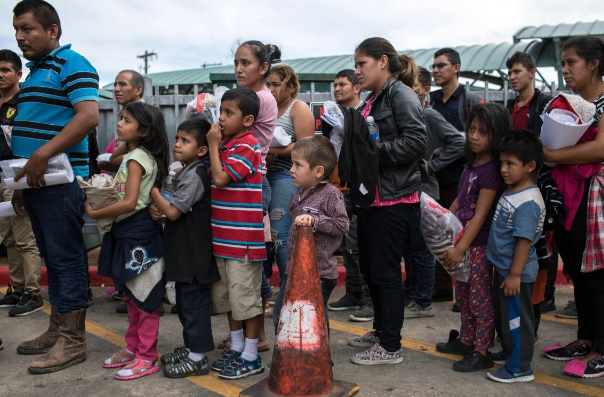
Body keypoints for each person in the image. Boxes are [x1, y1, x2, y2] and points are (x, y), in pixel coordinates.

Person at [11, 0, 99, 374]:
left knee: (67, 259)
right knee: (52, 259)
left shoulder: (72, 63)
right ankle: (56, 329)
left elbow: (89, 116)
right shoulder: (33, 73)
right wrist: (20, 184)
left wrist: (42, 155)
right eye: (16, 29)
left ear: (53, 31)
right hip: (36, 184)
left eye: (27, 29)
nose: (19, 37)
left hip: (60, 184)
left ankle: (73, 341)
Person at [346, 37, 427, 366]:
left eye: (361, 64)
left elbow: (416, 141)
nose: (357, 72)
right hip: (373, 198)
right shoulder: (375, 97)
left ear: (382, 61)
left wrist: (371, 154)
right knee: (372, 269)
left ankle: (390, 346)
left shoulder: (400, 93)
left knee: (386, 272)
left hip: (393, 199)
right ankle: (381, 332)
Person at [90, 102, 169, 380]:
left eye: (126, 120)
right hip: (127, 233)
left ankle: (147, 357)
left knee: (144, 298)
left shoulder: (137, 159)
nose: (119, 123)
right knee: (131, 297)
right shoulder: (132, 155)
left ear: (144, 131)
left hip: (139, 235)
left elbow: (130, 202)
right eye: (121, 118)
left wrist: (95, 212)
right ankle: (134, 348)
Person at [542, 36, 604, 378]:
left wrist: (551, 155)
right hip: (568, 195)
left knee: (596, 272)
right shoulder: (571, 102)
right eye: (563, 63)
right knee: (577, 268)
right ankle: (584, 338)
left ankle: (601, 347)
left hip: (596, 197)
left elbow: (600, 148)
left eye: (571, 63)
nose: (564, 70)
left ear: (593, 64)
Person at [435, 103, 507, 372]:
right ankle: (466, 340)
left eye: (483, 132)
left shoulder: (490, 172)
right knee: (464, 296)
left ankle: (482, 349)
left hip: (477, 247)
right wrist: (445, 222)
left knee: (479, 299)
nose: (475, 136)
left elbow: (479, 216)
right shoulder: (471, 165)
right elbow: (460, 201)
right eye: (472, 129)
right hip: (464, 245)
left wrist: (461, 247)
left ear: (496, 136)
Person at [148, 118, 219, 378]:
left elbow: (175, 212)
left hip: (194, 254)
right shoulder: (186, 170)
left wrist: (153, 192)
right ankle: (191, 348)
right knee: (185, 304)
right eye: (177, 138)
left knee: (194, 306)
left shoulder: (197, 173)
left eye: (185, 141)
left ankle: (198, 358)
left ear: (202, 150)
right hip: (183, 252)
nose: (177, 145)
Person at [208, 88, 266, 379]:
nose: (221, 118)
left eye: (229, 113)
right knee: (231, 299)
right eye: (221, 111)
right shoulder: (226, 145)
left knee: (247, 300)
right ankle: (237, 347)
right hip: (222, 240)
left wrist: (213, 145)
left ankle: (252, 355)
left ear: (248, 119)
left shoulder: (248, 145)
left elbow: (220, 179)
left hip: (243, 241)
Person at [404, 66, 465, 319]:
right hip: (407, 190)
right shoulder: (407, 114)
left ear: (426, 89)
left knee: (421, 250)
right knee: (409, 248)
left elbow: (459, 142)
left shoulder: (429, 115)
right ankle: (413, 294)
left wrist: (432, 164)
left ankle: (423, 301)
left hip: (425, 192)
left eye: (413, 84)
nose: (407, 89)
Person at [272, 136, 349, 333]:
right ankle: (290, 359)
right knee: (282, 314)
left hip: (319, 273)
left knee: (314, 322)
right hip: (294, 270)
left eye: (298, 165)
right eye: (292, 164)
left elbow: (342, 224)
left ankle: (321, 362)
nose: (291, 169)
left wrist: (315, 221)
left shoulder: (331, 194)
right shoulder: (296, 194)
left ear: (318, 171)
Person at [487, 129, 545, 383]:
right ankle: (511, 354)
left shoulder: (528, 201)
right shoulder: (513, 189)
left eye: (511, 163)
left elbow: (524, 241)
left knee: (517, 322)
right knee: (505, 318)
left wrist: (515, 275)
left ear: (530, 165)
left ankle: (520, 368)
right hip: (504, 270)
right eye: (502, 162)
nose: (503, 169)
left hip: (515, 274)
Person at [505, 51, 554, 342]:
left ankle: (532, 323)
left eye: (518, 71)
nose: (512, 76)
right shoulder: (511, 106)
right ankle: (515, 325)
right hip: (511, 189)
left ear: (532, 72)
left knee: (537, 253)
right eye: (510, 72)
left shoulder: (544, 104)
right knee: (514, 250)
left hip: (537, 189)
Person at [429, 48, 483, 308]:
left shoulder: (468, 99)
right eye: (434, 66)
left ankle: (468, 289)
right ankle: (441, 288)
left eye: (441, 65)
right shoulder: (432, 100)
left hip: (463, 179)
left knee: (463, 235)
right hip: (435, 179)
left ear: (456, 68)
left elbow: (477, 137)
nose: (436, 70)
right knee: (439, 234)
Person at [265, 64, 315, 330]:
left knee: (282, 240)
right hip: (263, 178)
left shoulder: (298, 108)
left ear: (290, 86)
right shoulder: (265, 107)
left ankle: (293, 296)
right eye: (268, 84)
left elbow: (307, 146)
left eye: (276, 84)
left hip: (286, 177)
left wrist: (275, 151)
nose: (271, 89)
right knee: (266, 242)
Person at [327, 69, 375, 323]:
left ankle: (368, 301)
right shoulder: (333, 116)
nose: (337, 89)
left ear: (357, 88)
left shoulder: (364, 116)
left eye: (342, 84)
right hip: (337, 188)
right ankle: (354, 294)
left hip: (357, 189)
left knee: (359, 248)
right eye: (335, 84)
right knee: (346, 247)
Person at [0, 49, 42, 317]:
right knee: (9, 237)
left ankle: (33, 293)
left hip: (14, 176)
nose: (0, 75)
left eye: (5, 70)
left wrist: (22, 185)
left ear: (18, 74)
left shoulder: (24, 102)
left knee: (25, 238)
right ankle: (16, 288)